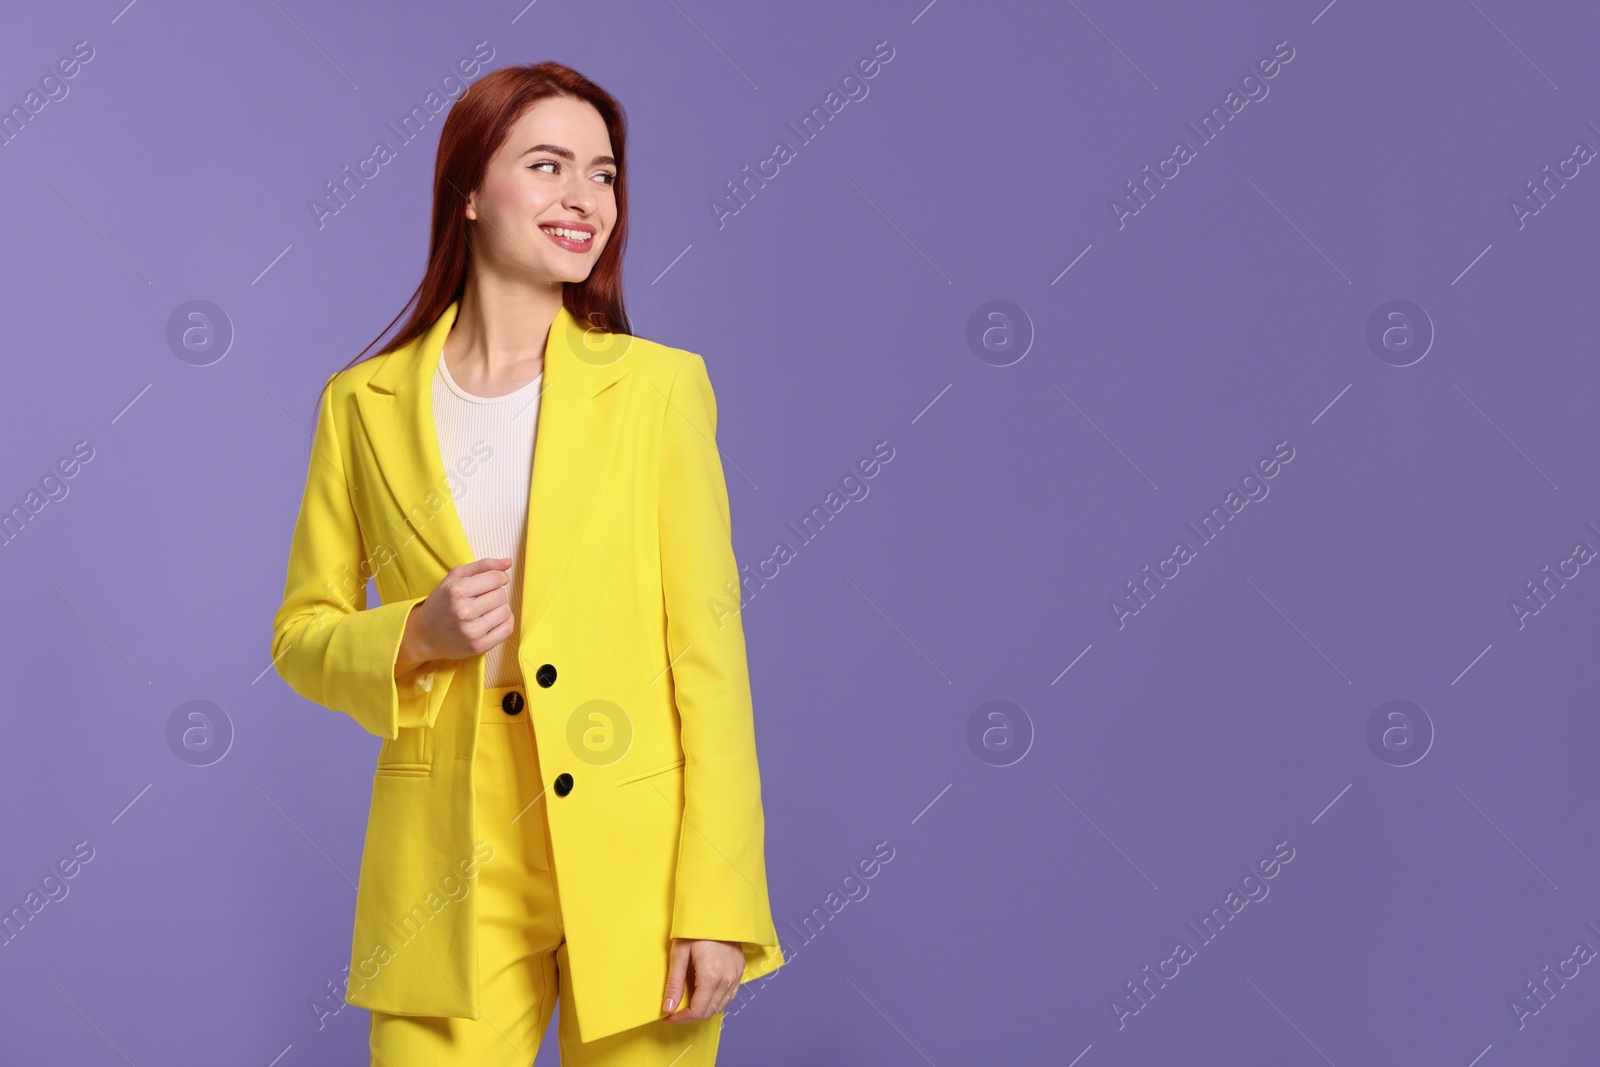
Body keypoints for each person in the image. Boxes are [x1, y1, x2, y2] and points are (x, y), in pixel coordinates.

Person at [270, 60, 782, 1066]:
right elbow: (301, 635)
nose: (583, 197)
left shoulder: (658, 392)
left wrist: (717, 899)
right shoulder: (360, 405)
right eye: (547, 164)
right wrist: (415, 632)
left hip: (636, 855)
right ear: (468, 189)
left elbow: (709, 660)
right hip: (443, 863)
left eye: (603, 173)